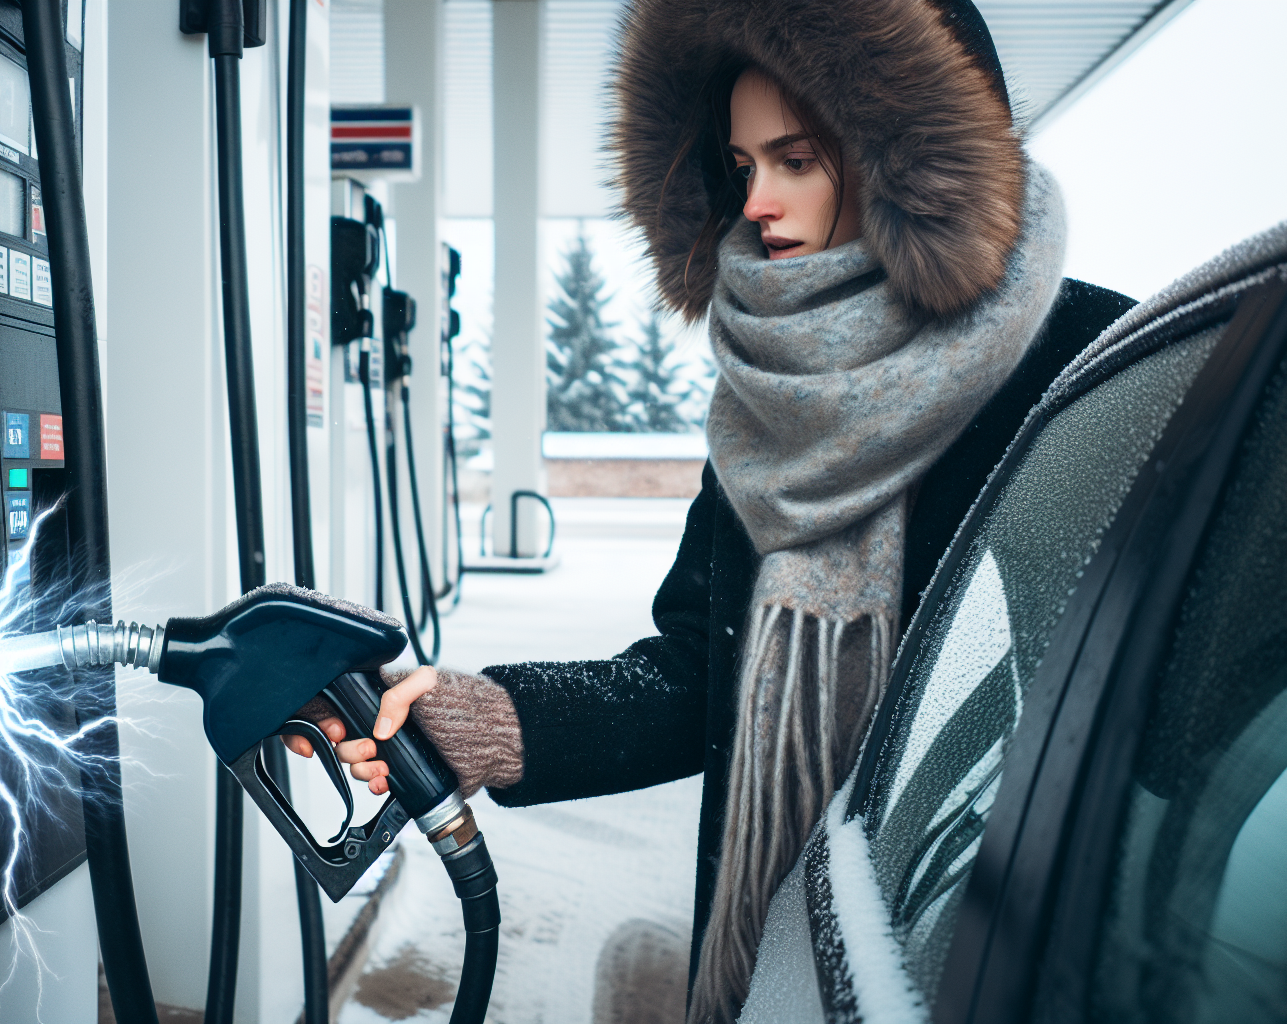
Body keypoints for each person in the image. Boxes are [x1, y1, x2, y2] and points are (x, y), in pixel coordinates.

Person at [292, 0, 1134, 1018]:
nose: (757, 204)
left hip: (986, 936)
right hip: (784, 942)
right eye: (741, 167)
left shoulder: (1082, 365)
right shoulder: (763, 397)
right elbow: (702, 671)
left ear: (898, 155)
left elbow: (1138, 688)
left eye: (795, 159)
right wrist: (494, 719)